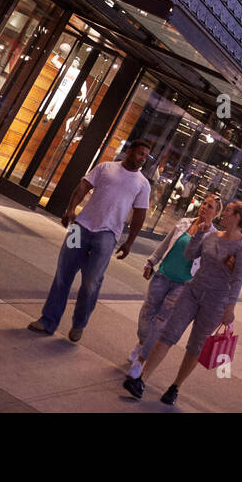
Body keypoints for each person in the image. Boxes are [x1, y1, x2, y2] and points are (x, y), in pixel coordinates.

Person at [123, 200, 242, 404]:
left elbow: (238, 279)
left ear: (237, 217)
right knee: (168, 333)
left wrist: (230, 307)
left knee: (195, 345)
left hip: (216, 302)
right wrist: (199, 234)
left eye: (227, 211)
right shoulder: (211, 235)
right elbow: (190, 254)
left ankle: (175, 387)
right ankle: (141, 380)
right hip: (192, 291)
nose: (224, 213)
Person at [27, 141, 153, 341]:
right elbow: (83, 187)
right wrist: (70, 209)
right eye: (140, 154)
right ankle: (48, 321)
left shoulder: (142, 184)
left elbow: (139, 215)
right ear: (129, 152)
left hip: (107, 235)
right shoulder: (106, 167)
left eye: (145, 157)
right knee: (63, 275)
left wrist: (129, 242)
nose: (142, 159)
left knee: (91, 282)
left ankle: (79, 324)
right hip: (81, 227)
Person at [126, 193, 222, 376]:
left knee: (161, 322)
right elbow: (165, 244)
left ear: (216, 214)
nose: (204, 207)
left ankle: (141, 360)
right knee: (147, 312)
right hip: (162, 275)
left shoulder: (213, 237)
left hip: (183, 285)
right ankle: (141, 342)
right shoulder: (185, 222)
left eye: (210, 207)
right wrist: (151, 261)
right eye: (204, 203)